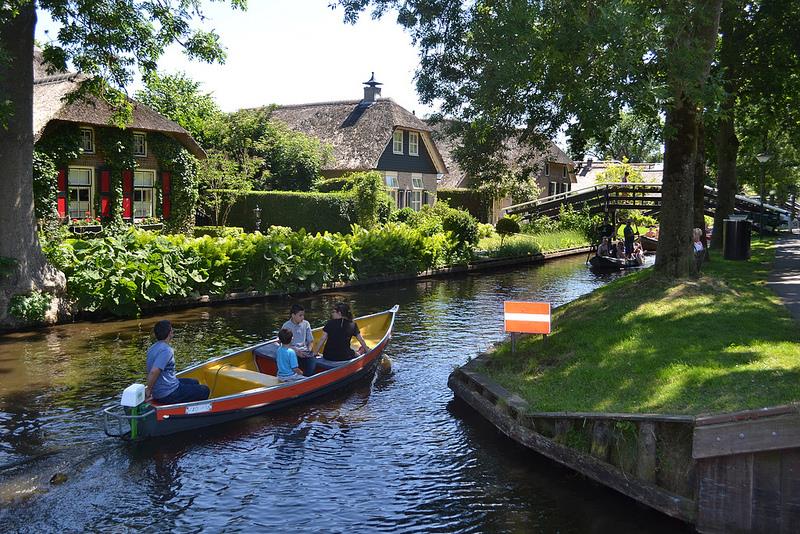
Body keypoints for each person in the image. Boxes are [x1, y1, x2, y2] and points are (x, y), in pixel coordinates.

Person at [146, 320, 210, 404]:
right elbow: (154, 371)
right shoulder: (166, 350)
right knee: (205, 390)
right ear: (170, 333)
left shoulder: (152, 348)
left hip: (162, 389)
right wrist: (149, 390)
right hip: (168, 394)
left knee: (195, 381)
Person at [281, 304, 315, 376]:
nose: (302, 317)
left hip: (305, 351)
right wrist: (296, 351)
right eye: (300, 315)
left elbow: (310, 341)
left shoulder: (306, 324)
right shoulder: (286, 326)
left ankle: (307, 378)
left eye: (303, 315)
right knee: (292, 360)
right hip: (292, 351)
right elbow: (284, 344)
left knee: (312, 364)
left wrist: (309, 350)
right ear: (293, 315)